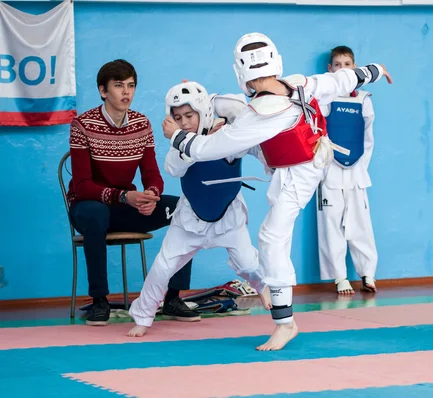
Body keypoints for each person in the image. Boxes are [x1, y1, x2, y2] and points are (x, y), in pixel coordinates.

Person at [164, 32, 393, 351]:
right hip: (305, 157)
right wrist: (375, 70)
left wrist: (176, 137)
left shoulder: (262, 115)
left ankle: (285, 322)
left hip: (300, 173)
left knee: (272, 237)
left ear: (241, 71)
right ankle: (279, 309)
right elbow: (342, 80)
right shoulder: (299, 82)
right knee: (235, 110)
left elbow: (207, 148)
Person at [127, 81, 271, 337]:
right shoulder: (178, 146)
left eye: (189, 115)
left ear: (204, 112)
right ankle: (143, 315)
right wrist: (183, 140)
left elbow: (253, 144)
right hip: (190, 220)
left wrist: (270, 159)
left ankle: (262, 286)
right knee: (162, 267)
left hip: (228, 217)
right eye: (177, 117)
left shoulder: (226, 136)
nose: (183, 122)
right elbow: (174, 168)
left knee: (249, 263)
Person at [67, 59, 196, 326]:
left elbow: (151, 174)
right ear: (103, 91)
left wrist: (151, 195)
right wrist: (125, 197)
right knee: (96, 213)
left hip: (126, 206)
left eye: (131, 85)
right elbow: (82, 185)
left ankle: (172, 298)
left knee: (186, 208)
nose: (126, 92)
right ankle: (100, 301)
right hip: (87, 207)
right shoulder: (82, 125)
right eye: (118, 86)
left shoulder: (141, 124)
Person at [316, 46, 378, 296]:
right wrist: (321, 168)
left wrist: (360, 169)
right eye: (337, 65)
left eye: (348, 64)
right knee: (331, 224)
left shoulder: (364, 99)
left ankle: (368, 273)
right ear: (330, 70)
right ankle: (339, 277)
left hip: (356, 173)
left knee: (361, 223)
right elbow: (318, 134)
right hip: (329, 171)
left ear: (356, 68)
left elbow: (368, 140)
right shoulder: (323, 99)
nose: (343, 69)